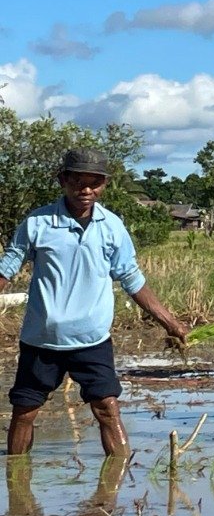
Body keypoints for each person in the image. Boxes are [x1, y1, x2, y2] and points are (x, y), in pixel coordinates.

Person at [0, 148, 188, 455]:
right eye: (78, 181)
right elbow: (7, 267)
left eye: (95, 182)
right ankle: (17, 487)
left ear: (104, 185)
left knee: (107, 408)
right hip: (42, 341)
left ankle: (114, 485)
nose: (86, 189)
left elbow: (131, 278)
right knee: (25, 410)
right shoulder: (38, 224)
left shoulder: (112, 227)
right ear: (63, 180)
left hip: (92, 340)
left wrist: (170, 322)